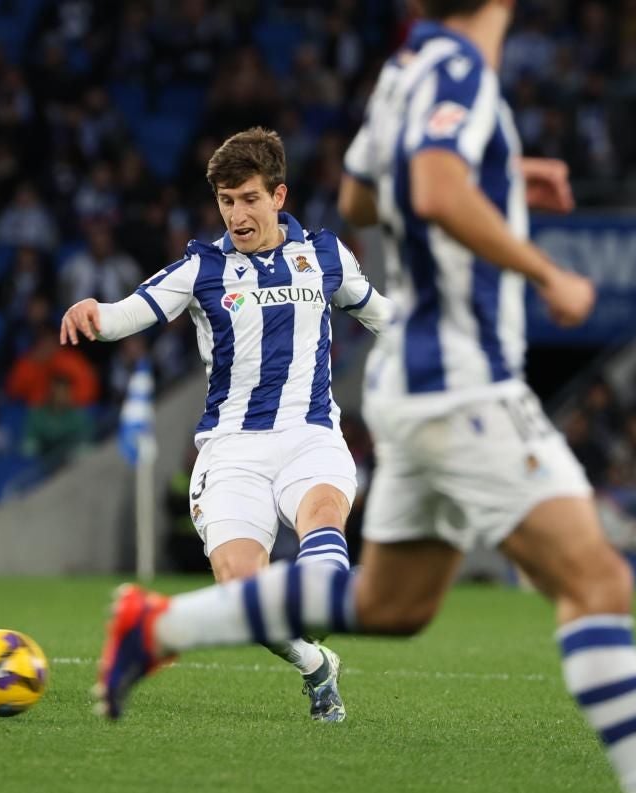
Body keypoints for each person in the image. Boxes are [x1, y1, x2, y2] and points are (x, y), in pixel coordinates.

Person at [87, 4, 636, 791]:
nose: (238, 213)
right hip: (458, 380)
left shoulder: (402, 76)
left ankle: (159, 623)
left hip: (401, 390)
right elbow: (436, 189)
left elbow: (368, 198)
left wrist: (502, 185)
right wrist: (548, 272)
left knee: (391, 603)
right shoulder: (460, 74)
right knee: (599, 582)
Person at [61, 127, 394, 723]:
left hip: (309, 435)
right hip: (231, 449)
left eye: (248, 199)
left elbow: (381, 317)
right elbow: (125, 316)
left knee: (321, 523)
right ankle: (318, 665)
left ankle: (343, 588)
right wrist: (94, 312)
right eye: (225, 201)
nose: (236, 214)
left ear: (278, 196)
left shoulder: (324, 255)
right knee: (243, 595)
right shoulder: (202, 268)